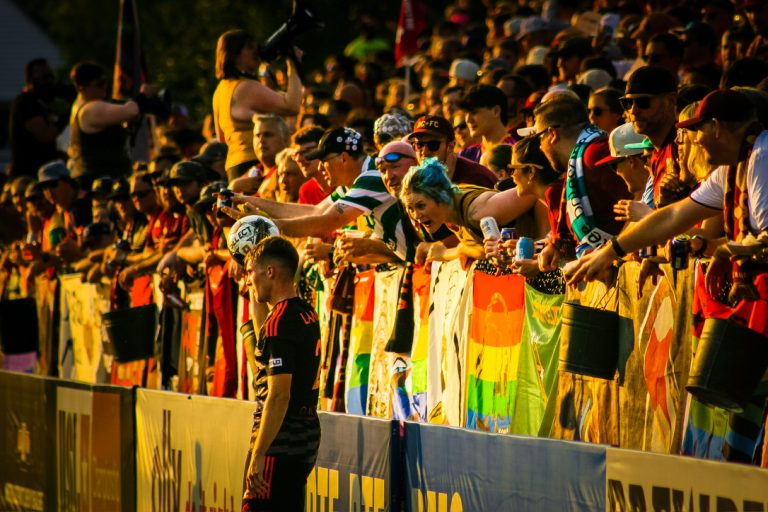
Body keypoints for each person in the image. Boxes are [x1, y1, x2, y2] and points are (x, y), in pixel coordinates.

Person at [566, 89, 768, 464]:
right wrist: (612, 251)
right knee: (746, 428)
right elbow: (674, 217)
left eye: (694, 131)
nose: (689, 142)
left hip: (760, 316)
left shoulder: (764, 158)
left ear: (717, 127)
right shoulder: (735, 165)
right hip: (756, 318)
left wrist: (725, 250)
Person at [242, 236, 321, 511]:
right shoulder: (305, 312)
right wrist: (254, 297)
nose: (248, 278)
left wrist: (259, 452)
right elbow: (267, 336)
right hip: (304, 436)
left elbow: (278, 396)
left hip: (282, 441)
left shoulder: (280, 323)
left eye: (251, 271)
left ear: (271, 272)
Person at [533, 94, 632, 270]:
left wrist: (611, 253)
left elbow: (636, 207)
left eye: (539, 139)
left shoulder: (595, 154)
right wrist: (556, 246)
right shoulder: (578, 160)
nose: (540, 147)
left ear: (552, 134)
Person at [399, 157, 543, 266]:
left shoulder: (478, 211)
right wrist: (459, 250)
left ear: (441, 197)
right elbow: (479, 249)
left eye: (421, 206)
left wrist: (544, 239)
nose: (416, 216)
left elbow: (538, 187)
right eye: (410, 209)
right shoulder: (449, 212)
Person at [212, 29, 302, 181]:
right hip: (255, 164)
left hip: (235, 167)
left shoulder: (221, 90)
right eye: (249, 48)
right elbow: (292, 106)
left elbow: (221, 138)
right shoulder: (246, 87)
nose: (256, 52)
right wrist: (293, 64)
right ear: (234, 55)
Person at [622, 66, 694, 207]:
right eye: (628, 103)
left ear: (671, 100)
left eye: (643, 102)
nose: (633, 110)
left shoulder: (684, 144)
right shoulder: (655, 153)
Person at [67, 62, 144, 190]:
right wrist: (143, 97)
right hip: (100, 184)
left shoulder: (78, 107)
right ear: (82, 87)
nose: (105, 87)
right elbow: (131, 111)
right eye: (100, 83)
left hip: (97, 181)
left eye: (105, 82)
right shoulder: (90, 109)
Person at [407, 115, 498, 188]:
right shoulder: (416, 179)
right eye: (419, 145)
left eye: (433, 145)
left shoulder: (476, 179)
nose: (425, 152)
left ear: (450, 146)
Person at [8, 59, 63, 178]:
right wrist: (68, 116)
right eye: (44, 78)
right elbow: (44, 135)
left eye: (51, 77)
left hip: (42, 172)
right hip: (29, 175)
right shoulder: (26, 102)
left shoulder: (40, 104)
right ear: (31, 80)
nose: (49, 82)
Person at [458, 84, 516, 163]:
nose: (468, 120)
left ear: (496, 111)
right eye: (465, 114)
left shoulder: (515, 154)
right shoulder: (467, 155)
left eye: (474, 112)